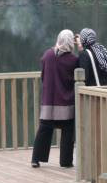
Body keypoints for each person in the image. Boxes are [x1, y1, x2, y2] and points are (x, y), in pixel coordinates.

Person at [30, 29, 80, 168]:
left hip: (49, 101)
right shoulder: (74, 60)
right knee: (67, 131)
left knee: (44, 129)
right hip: (65, 102)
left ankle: (36, 159)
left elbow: (43, 75)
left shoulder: (48, 55)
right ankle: (65, 161)